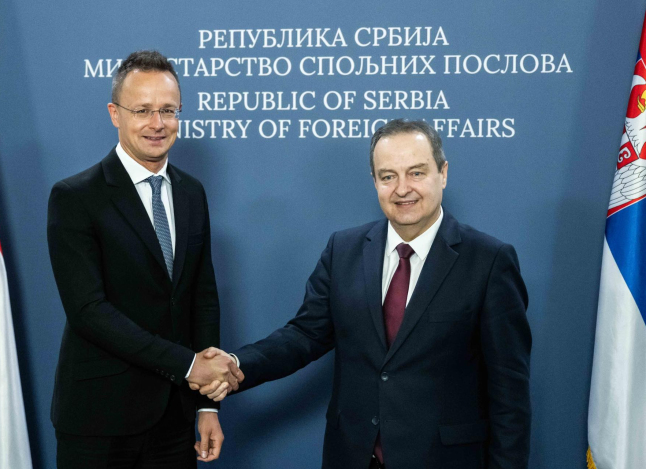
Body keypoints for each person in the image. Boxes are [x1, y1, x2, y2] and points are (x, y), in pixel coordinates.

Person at [196, 119, 531, 468]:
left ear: (442, 173)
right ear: (374, 181)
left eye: (416, 173)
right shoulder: (344, 250)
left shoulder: (489, 261)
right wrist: (237, 364)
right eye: (388, 176)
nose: (402, 189)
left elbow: (510, 395)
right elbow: (304, 335)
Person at [47, 49, 243, 468]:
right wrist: (188, 366)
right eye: (143, 110)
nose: (158, 123)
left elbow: (202, 298)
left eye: (168, 110)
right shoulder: (76, 197)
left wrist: (207, 405)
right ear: (115, 114)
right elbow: (88, 312)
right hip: (99, 420)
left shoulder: (191, 192)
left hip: (175, 419)